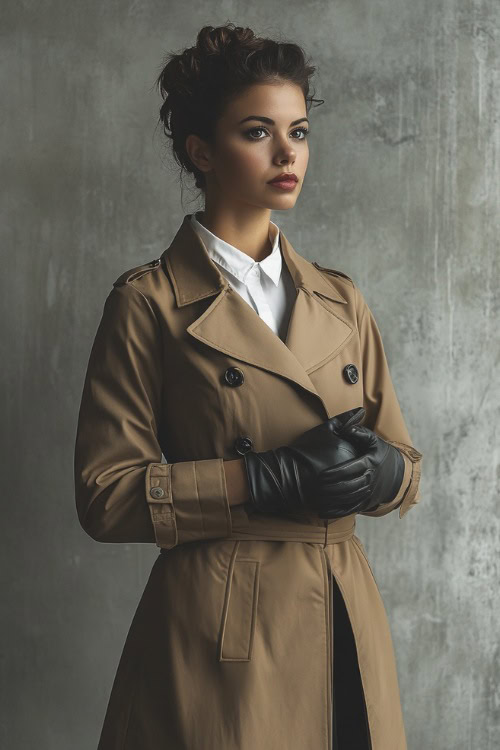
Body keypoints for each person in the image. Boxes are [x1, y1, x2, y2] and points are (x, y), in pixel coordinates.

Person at [74, 22, 423, 750]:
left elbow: (405, 467)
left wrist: (384, 471)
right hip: (222, 633)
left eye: (297, 131)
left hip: (343, 613)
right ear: (202, 151)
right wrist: (261, 478)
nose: (287, 152)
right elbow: (105, 496)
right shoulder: (150, 302)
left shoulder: (339, 299)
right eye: (258, 131)